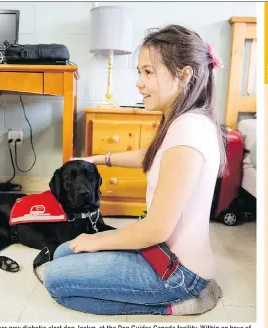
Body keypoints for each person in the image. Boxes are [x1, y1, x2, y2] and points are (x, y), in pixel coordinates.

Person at [43, 24, 226, 315]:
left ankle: (180, 303)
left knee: (55, 279)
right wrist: (96, 159)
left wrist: (96, 240)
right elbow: (150, 156)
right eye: (139, 72)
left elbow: (155, 229)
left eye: (148, 72)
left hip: (175, 271)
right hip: (164, 254)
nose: (139, 83)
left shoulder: (188, 131)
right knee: (64, 252)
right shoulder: (186, 123)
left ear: (185, 74)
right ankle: (189, 288)